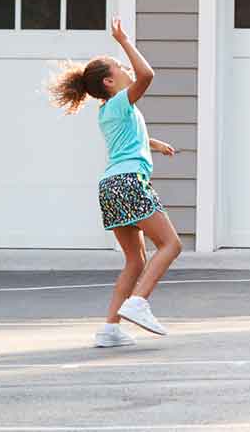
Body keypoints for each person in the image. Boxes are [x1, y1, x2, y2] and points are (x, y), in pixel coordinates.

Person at [50, 18, 181, 347]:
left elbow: (130, 139)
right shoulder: (122, 101)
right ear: (109, 81)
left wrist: (155, 144)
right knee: (171, 245)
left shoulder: (110, 110)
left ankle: (110, 327)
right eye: (120, 67)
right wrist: (123, 41)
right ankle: (138, 303)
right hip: (128, 182)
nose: (126, 69)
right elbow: (148, 75)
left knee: (135, 260)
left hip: (110, 186)